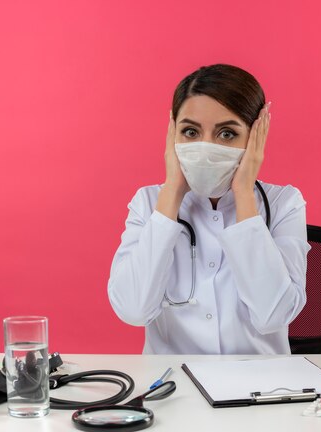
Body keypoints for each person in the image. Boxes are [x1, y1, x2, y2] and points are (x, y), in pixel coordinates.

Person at [108, 64, 310, 354]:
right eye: (190, 131)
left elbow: (273, 316)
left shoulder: (283, 203)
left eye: (226, 134)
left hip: (259, 388)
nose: (205, 147)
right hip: (171, 387)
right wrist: (173, 192)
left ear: (256, 136)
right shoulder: (149, 203)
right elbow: (133, 310)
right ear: (172, 132)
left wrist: (243, 193)